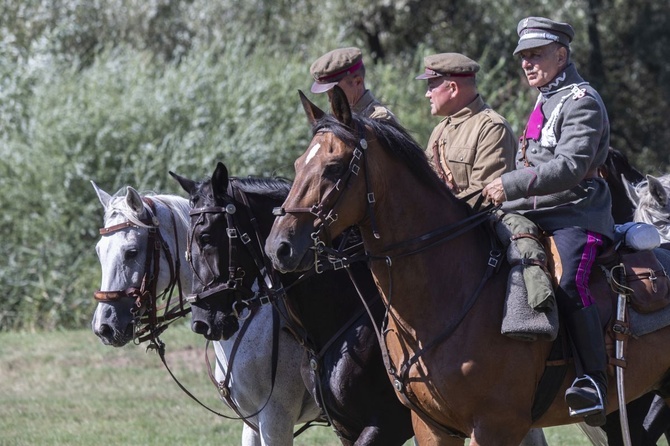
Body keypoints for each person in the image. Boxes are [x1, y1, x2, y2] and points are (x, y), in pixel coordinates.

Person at [483, 17, 614, 427]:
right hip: (538, 211)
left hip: (578, 212)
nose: (526, 63)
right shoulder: (546, 98)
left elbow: (572, 166)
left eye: (535, 54)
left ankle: (594, 380)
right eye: (523, 56)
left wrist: (509, 184)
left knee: (568, 280)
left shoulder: (582, 100)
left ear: (562, 54)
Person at [415, 52, 516, 206]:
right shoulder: (440, 129)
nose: (427, 94)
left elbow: (484, 195)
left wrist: (437, 213)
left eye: (432, 86)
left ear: (453, 88)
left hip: (481, 223)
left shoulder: (492, 128)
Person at [310, 47, 396, 121]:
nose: (329, 99)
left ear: (358, 82)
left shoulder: (380, 118)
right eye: (327, 93)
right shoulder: (339, 119)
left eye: (334, 92)